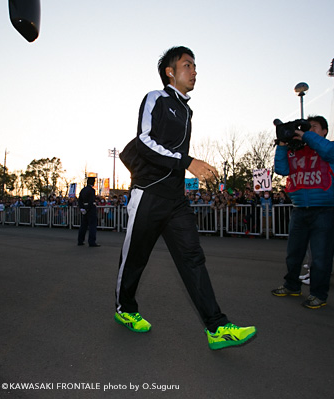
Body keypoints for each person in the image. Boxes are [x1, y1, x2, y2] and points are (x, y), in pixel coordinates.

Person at [116, 46, 256, 350]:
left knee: (193, 258)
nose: (194, 71)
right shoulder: (157, 98)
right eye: (187, 65)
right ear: (170, 71)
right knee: (135, 259)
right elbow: (143, 141)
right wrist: (187, 161)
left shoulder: (187, 110)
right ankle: (125, 310)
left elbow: (173, 154)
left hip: (176, 200)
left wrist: (189, 166)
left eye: (195, 66)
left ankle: (216, 327)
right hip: (149, 194)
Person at [271, 115, 334, 308]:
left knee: (320, 257)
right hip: (299, 209)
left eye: (314, 127)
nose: (308, 130)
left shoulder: (333, 147)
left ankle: (318, 295)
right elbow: (281, 169)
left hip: (324, 211)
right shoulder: (295, 151)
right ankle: (292, 286)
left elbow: (328, 151)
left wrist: (307, 136)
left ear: (324, 131)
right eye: (306, 127)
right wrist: (283, 144)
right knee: (293, 254)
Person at [77, 177, 99, 247]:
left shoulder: (83, 190)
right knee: (92, 225)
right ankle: (92, 241)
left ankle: (80, 240)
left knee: (83, 226)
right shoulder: (92, 190)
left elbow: (80, 200)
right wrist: (88, 209)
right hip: (91, 209)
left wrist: (82, 208)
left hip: (84, 208)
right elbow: (91, 201)